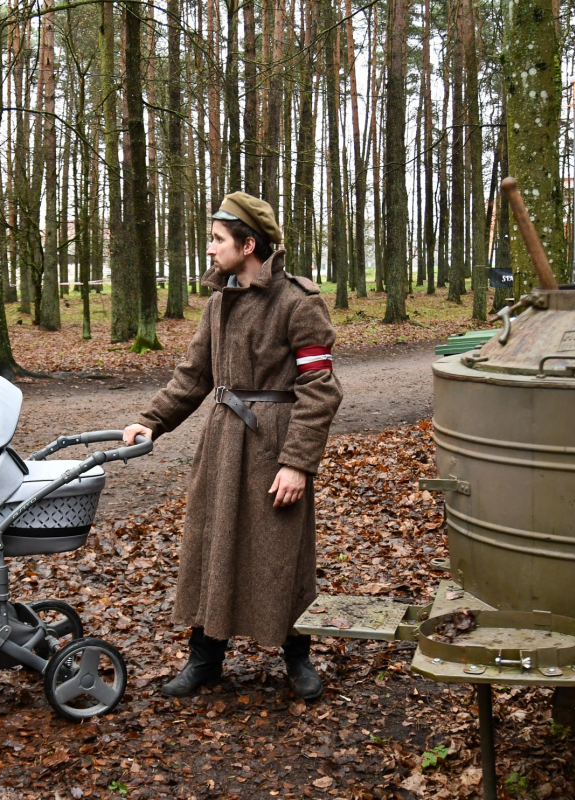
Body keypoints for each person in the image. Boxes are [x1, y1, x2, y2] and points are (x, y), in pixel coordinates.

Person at [123, 191, 343, 701]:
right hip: (223, 445)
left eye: (218, 239)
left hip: (275, 447)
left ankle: (298, 656)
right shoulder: (218, 302)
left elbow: (320, 389)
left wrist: (297, 463)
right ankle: (205, 659)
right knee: (211, 545)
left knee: (283, 552)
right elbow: (193, 376)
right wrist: (150, 422)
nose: (209, 248)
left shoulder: (299, 303)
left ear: (248, 245)